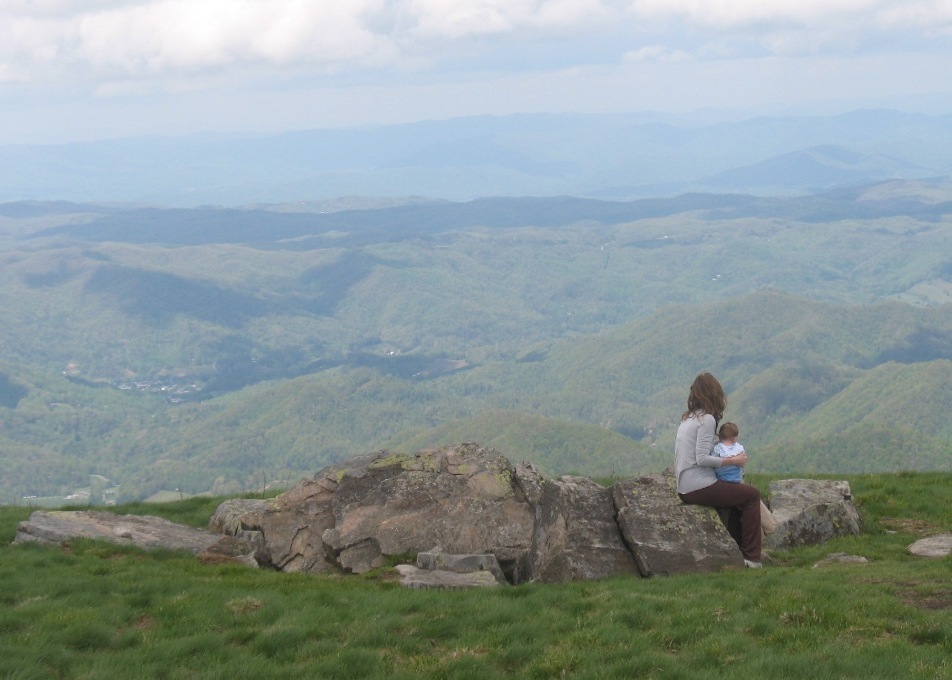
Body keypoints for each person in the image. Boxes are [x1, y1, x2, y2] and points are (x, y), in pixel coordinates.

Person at [674, 373, 763, 568]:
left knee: (737, 498)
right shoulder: (706, 420)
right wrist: (733, 461)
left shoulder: (688, 419)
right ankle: (752, 558)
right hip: (699, 486)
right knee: (751, 495)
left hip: (684, 487)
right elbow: (701, 458)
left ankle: (738, 553)